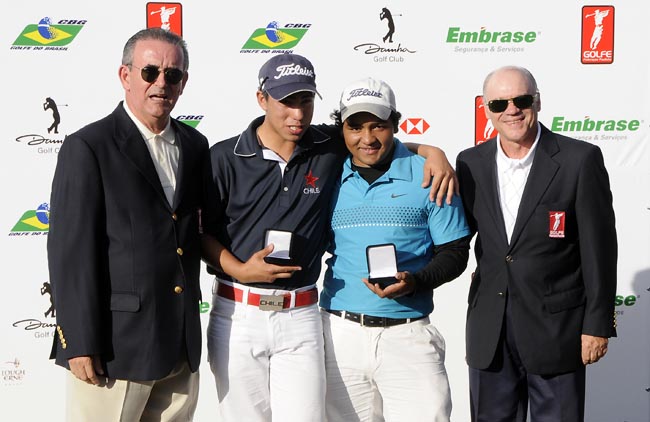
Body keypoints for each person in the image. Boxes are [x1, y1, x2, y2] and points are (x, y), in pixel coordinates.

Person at [201, 53, 457, 422]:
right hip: (239, 312)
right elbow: (200, 233)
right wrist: (238, 270)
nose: (298, 114)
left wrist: (433, 151)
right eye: (287, 102)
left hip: (301, 315)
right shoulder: (224, 156)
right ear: (262, 99)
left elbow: (372, 139)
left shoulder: (326, 144)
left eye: (306, 100)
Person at [47, 27, 218, 422]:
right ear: (126, 76)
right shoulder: (88, 146)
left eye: (172, 75)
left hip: (179, 345)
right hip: (113, 349)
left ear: (183, 82)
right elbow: (70, 253)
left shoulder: (195, 146)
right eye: (150, 72)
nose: (161, 83)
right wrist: (79, 341)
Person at [456, 65, 617, 421]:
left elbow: (600, 251)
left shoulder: (579, 159)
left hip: (557, 330)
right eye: (499, 104)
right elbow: (458, 238)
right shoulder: (470, 163)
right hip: (490, 333)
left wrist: (597, 325)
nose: (511, 110)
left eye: (521, 100)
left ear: (538, 102)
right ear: (487, 109)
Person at [319, 77, 471, 422]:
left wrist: (416, 280)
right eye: (355, 127)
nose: (367, 138)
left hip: (408, 334)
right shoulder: (325, 174)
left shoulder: (431, 173)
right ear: (341, 129)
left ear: (396, 125)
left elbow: (455, 251)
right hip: (339, 336)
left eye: (378, 126)